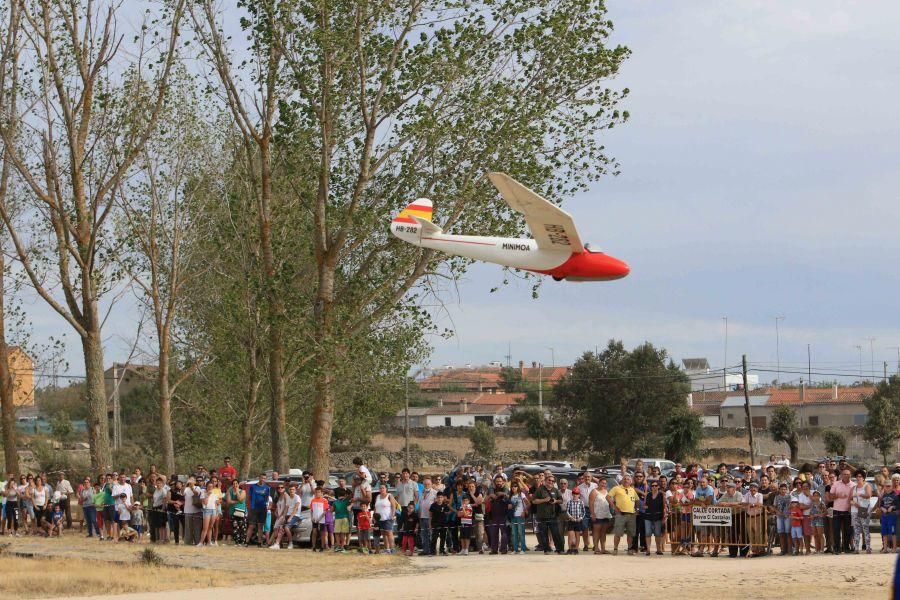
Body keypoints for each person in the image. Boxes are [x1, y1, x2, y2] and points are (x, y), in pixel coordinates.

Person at [531, 472, 564, 555]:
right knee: (544, 534)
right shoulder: (540, 489)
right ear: (545, 480)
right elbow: (534, 501)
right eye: (549, 480)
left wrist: (555, 501)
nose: (551, 482)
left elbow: (561, 500)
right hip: (542, 516)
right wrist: (544, 500)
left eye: (553, 481)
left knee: (556, 534)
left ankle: (559, 549)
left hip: (553, 516)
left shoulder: (555, 490)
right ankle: (547, 550)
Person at [609, 474, 639, 555]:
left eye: (628, 479)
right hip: (620, 514)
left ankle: (629, 549)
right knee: (618, 533)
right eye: (624, 479)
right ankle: (615, 549)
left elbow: (637, 500)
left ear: (630, 481)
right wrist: (614, 507)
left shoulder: (632, 490)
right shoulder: (616, 488)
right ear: (622, 480)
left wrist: (637, 509)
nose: (626, 480)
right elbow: (608, 497)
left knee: (630, 533)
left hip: (631, 515)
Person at [827, 468, 854, 554]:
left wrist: (851, 505)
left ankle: (846, 548)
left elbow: (855, 498)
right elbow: (830, 497)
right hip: (837, 510)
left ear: (850, 475)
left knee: (847, 530)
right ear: (841, 475)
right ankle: (837, 548)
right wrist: (838, 496)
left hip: (848, 510)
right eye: (844, 474)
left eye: (848, 474)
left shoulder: (854, 485)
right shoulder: (836, 484)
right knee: (836, 530)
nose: (846, 475)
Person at [271, 483, 301, 550]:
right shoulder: (289, 498)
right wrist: (284, 517)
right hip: (287, 515)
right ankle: (277, 544)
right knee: (281, 528)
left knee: (286, 528)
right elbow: (286, 508)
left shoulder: (297, 497)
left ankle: (291, 543)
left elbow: (296, 509)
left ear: (295, 490)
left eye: (293, 489)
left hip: (295, 516)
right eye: (290, 489)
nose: (291, 491)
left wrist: (290, 517)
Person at [245, 473, 271, 548]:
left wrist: (267, 506)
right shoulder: (253, 487)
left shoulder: (267, 488)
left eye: (264, 478)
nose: (263, 479)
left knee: (260, 526)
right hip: (254, 508)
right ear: (259, 478)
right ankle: (246, 541)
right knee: (251, 526)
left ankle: (259, 543)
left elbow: (267, 498)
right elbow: (249, 497)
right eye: (262, 478)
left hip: (263, 508)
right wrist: (249, 507)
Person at [486, 475, 510, 554]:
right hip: (493, 515)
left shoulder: (506, 489)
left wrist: (502, 493)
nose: (499, 483)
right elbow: (488, 498)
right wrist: (491, 495)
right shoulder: (491, 489)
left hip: (503, 515)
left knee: (504, 534)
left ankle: (503, 549)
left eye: (500, 481)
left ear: (503, 481)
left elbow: (507, 496)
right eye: (497, 481)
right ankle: (494, 550)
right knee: (493, 534)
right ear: (494, 482)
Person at [589, 478, 612, 554]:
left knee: (603, 532)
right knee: (596, 532)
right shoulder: (594, 491)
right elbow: (591, 503)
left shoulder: (606, 491)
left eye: (605, 483)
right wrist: (593, 514)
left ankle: (603, 548)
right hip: (597, 514)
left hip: (605, 514)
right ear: (599, 483)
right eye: (602, 483)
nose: (603, 484)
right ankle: (596, 548)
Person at [850, 470, 872, 554]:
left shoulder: (867, 486)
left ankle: (868, 547)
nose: (858, 478)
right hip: (855, 510)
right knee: (856, 530)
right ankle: (856, 548)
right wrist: (853, 503)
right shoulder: (854, 488)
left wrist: (859, 495)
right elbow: (850, 499)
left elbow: (868, 495)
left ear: (863, 478)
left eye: (860, 476)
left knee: (865, 528)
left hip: (864, 509)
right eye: (857, 476)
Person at [644, 478, 666, 555]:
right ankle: (648, 550)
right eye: (652, 485)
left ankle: (658, 549)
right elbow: (644, 505)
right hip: (648, 516)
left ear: (658, 486)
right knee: (648, 533)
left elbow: (664, 506)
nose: (654, 487)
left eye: (656, 485)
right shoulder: (648, 495)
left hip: (658, 516)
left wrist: (664, 517)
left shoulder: (661, 495)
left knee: (657, 533)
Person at [509, 480, 529, 554]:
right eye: (512, 486)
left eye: (515, 486)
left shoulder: (521, 494)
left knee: (521, 533)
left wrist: (524, 511)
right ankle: (515, 549)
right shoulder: (511, 496)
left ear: (518, 487)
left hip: (520, 515)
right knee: (514, 533)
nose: (513, 488)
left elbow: (528, 503)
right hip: (513, 516)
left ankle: (523, 549)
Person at [565, 487, 586, 555]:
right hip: (571, 520)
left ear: (579, 494)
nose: (575, 495)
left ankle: (576, 549)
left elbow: (583, 512)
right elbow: (567, 511)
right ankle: (570, 548)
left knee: (577, 535)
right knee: (570, 534)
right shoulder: (569, 502)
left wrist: (581, 518)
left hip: (578, 520)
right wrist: (570, 517)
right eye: (574, 493)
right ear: (572, 494)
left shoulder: (581, 502)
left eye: (577, 493)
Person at [418, 477, 436, 555]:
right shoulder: (421, 492)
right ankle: (425, 550)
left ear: (431, 484)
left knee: (431, 534)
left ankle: (432, 550)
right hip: (422, 516)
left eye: (428, 484)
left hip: (430, 517)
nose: (427, 485)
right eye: (425, 484)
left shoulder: (435, 493)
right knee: (424, 535)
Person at [772, 483, 792, 555]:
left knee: (788, 533)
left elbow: (792, 506)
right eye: (782, 489)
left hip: (787, 517)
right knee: (781, 533)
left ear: (786, 490)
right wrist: (777, 512)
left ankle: (790, 549)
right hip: (779, 517)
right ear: (779, 490)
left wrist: (789, 513)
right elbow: (774, 506)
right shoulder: (777, 497)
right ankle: (783, 550)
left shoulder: (789, 497)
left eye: (784, 489)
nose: (783, 491)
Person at [429, 491, 450, 556]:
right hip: (435, 524)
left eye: (441, 497)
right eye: (438, 497)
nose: (440, 499)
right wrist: (430, 525)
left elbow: (448, 513)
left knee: (443, 537)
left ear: (443, 498)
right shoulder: (433, 505)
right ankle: (432, 551)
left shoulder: (445, 505)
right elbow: (430, 515)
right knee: (434, 537)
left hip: (443, 524)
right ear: (436, 498)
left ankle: (442, 550)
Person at [309, 485, 329, 551]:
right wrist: (312, 517)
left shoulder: (324, 500)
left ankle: (322, 547)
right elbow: (311, 510)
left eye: (318, 492)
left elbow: (325, 511)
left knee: (322, 533)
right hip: (314, 519)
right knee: (314, 532)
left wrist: (320, 518)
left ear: (321, 493)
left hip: (321, 520)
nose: (317, 494)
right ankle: (313, 546)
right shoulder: (313, 500)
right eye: (316, 492)